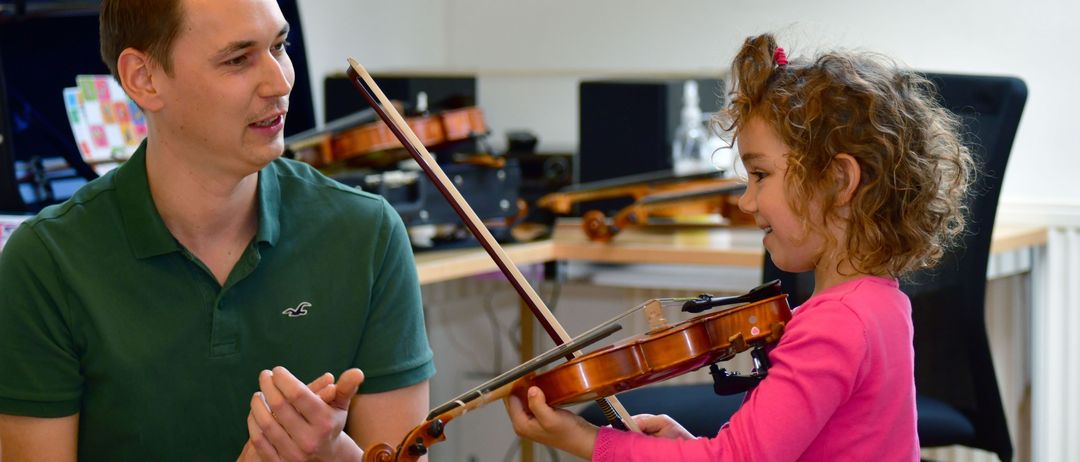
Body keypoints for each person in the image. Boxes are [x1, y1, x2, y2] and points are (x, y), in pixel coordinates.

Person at [505, 32, 975, 461]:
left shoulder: (833, 325)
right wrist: (688, 446)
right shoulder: (881, 302)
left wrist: (586, 441)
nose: (746, 201)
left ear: (838, 180)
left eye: (761, 175)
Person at [0, 0, 434, 460]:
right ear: (143, 79)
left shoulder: (368, 234)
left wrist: (336, 453)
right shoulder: (45, 263)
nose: (280, 82)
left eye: (279, 46)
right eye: (237, 59)